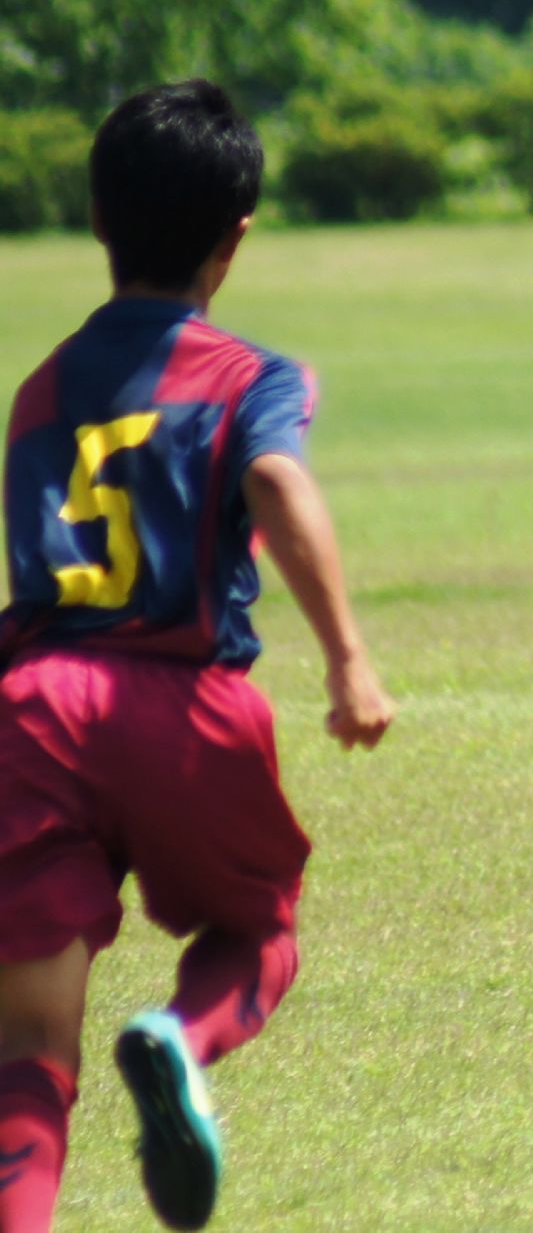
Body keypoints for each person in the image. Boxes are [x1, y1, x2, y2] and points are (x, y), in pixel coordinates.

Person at [0, 81, 395, 1233]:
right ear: (236, 238)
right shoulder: (250, 376)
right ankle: (180, 1038)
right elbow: (272, 477)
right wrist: (348, 658)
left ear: (97, 218)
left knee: (27, 1053)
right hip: (182, 710)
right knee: (259, 930)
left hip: (35, 711)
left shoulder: (40, 391)